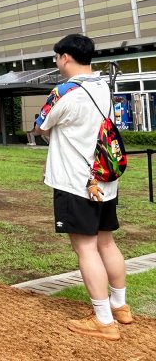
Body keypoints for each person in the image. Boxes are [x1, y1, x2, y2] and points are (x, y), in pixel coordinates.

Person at [34, 34, 130, 341]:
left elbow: (41, 126)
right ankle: (120, 305)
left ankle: (103, 319)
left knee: (85, 248)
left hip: (75, 181)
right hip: (104, 177)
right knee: (106, 242)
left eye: (57, 57)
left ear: (65, 57)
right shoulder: (103, 86)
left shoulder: (64, 91)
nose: (56, 62)